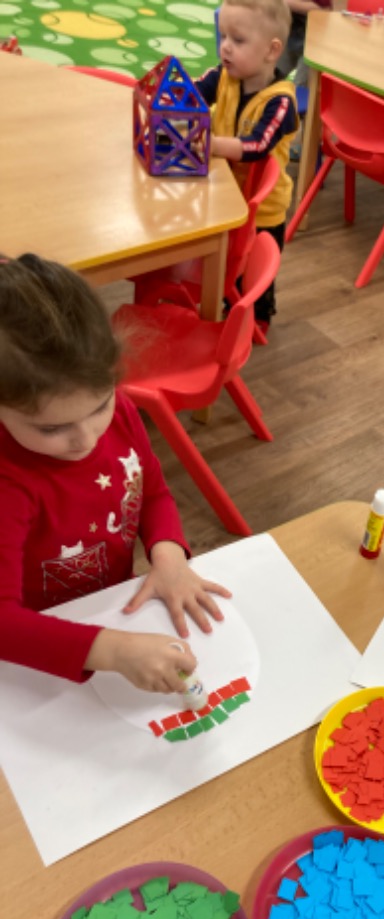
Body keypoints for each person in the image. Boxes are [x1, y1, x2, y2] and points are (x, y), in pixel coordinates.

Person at [0, 254, 231, 692]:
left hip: (108, 608)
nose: (86, 438)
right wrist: (112, 651)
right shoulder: (8, 483)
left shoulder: (121, 412)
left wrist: (168, 556)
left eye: (101, 405)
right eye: (52, 428)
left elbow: (152, 492)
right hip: (40, 646)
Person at [196, 0, 300, 338]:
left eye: (238, 40)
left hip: (263, 210)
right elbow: (194, 94)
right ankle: (218, 298)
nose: (225, 46)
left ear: (272, 51)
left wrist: (211, 144)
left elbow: (257, 146)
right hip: (226, 195)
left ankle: (259, 315)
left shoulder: (281, 103)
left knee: (253, 273)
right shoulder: (224, 76)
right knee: (224, 260)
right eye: (223, 35)